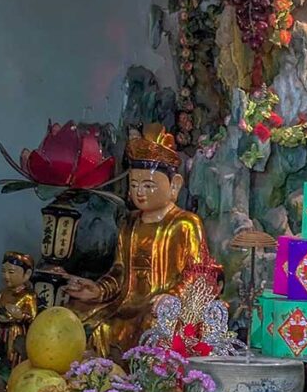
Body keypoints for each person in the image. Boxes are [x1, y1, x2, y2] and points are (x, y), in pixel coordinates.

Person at [65, 124, 206, 358]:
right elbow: (119, 274)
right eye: (134, 185)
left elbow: (197, 273)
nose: (139, 192)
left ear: (174, 185)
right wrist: (98, 290)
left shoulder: (184, 224)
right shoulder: (129, 223)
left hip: (159, 309)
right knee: (75, 313)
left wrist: (174, 295)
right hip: (124, 305)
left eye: (148, 185)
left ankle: (147, 385)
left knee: (156, 326)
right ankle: (93, 380)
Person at [0, 251, 38, 367]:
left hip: (16, 333)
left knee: (13, 358)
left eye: (11, 272)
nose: (6, 276)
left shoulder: (29, 296)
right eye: (3, 271)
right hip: (0, 330)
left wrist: (20, 316)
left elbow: (33, 317)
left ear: (27, 274)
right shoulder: (3, 292)